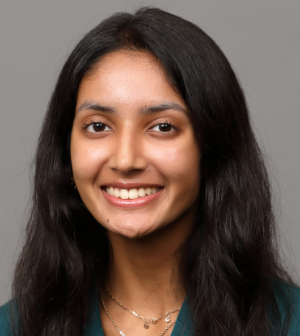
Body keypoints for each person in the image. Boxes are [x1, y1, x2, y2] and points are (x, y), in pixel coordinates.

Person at [0, 7, 299, 336]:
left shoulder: (289, 322)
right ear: (65, 152)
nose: (126, 160)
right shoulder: (16, 326)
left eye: (163, 127)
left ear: (211, 149)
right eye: (98, 126)